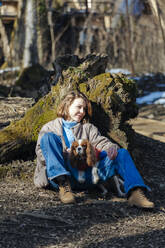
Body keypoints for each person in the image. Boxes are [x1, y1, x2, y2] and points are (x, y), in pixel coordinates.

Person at [34, 90, 154, 208]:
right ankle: (63, 186)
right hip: (64, 175)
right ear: (67, 105)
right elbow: (42, 154)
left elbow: (101, 142)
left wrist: (110, 148)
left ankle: (135, 193)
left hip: (88, 175)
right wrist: (67, 154)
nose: (82, 112)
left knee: (121, 153)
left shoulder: (88, 128)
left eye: (84, 109)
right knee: (48, 138)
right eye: (79, 107)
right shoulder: (50, 127)